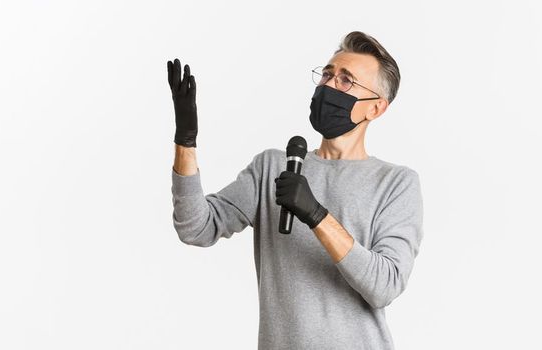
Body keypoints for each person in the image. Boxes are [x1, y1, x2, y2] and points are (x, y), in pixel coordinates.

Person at [168, 31, 423, 350]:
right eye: (327, 74)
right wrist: (185, 141)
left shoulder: (395, 183)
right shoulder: (275, 167)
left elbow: (384, 286)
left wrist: (316, 214)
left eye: (346, 80)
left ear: (375, 108)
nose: (330, 85)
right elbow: (196, 227)